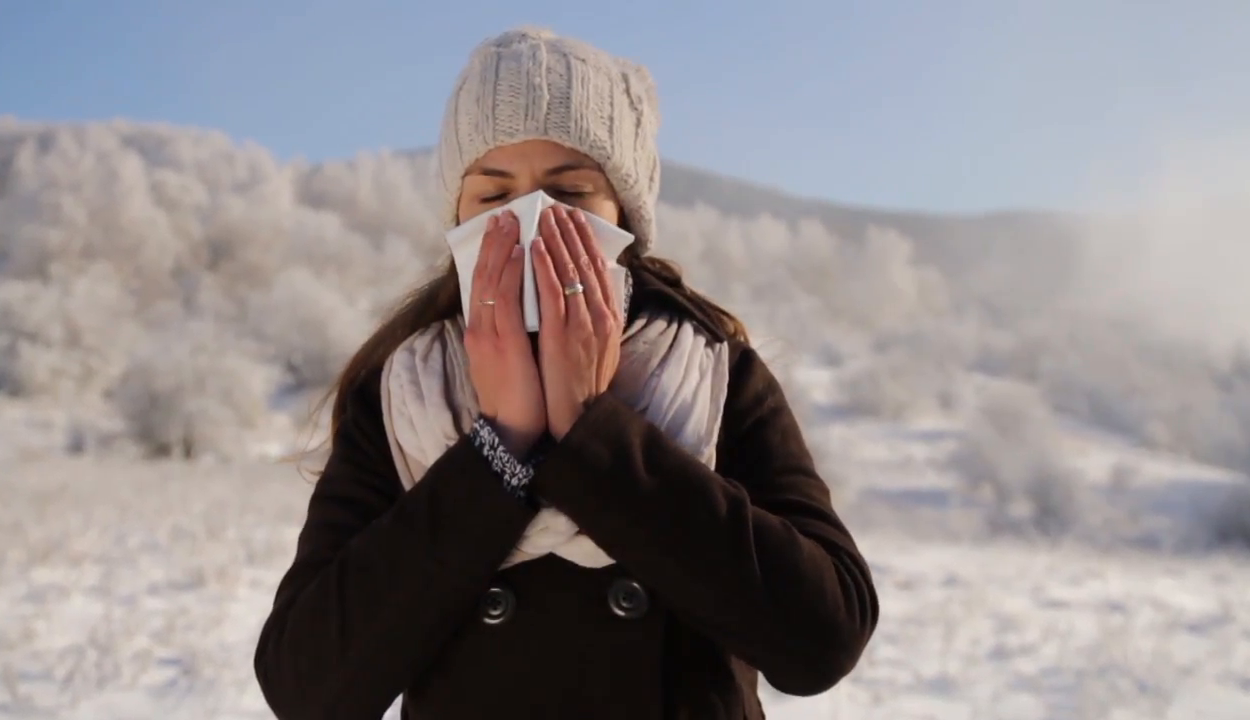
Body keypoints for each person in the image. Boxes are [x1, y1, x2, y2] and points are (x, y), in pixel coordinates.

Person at [253, 26, 878, 720]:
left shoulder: (712, 366)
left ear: (625, 217)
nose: (529, 221)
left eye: (569, 194)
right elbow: (305, 686)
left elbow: (823, 638)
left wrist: (593, 434)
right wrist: (500, 449)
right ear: (457, 215)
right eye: (493, 197)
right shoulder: (405, 388)